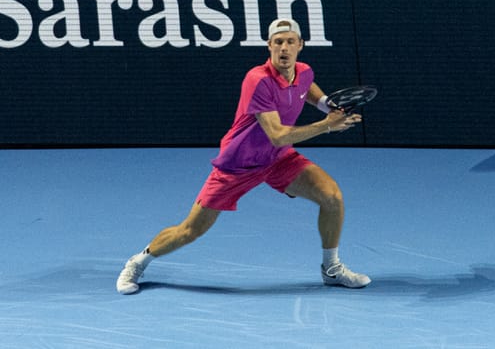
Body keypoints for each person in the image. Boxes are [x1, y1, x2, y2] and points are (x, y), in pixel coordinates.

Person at [116, 18, 370, 295]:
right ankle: (138, 262)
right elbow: (277, 134)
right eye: (278, 42)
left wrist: (324, 104)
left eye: (289, 42)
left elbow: (305, 88)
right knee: (190, 230)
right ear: (269, 46)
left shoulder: (304, 71)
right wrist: (326, 125)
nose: (284, 48)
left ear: (300, 45)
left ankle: (331, 270)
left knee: (332, 197)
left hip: (278, 160)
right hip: (238, 165)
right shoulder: (258, 80)